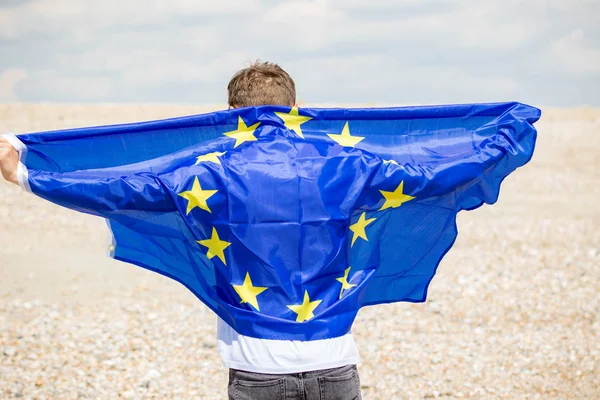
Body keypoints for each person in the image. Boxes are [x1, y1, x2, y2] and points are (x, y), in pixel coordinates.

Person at [0, 61, 364, 400]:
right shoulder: (346, 163)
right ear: (295, 107)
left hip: (258, 367)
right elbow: (419, 175)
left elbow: (121, 190)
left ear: (233, 115)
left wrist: (26, 175)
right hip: (334, 363)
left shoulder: (214, 173)